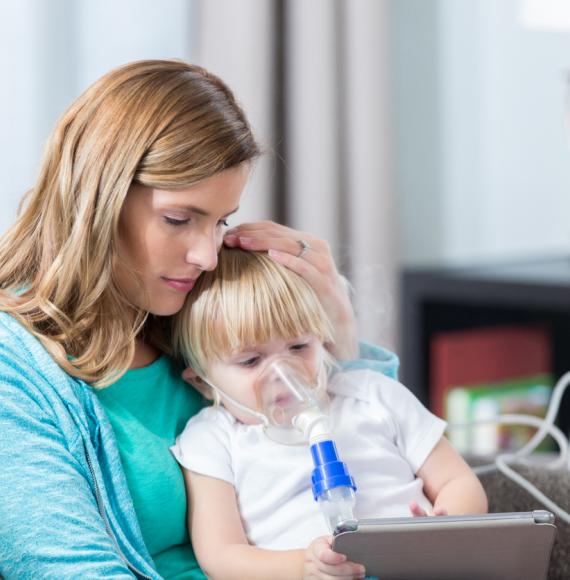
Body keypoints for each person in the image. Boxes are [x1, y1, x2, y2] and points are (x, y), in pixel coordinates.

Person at [0, 60, 385, 579]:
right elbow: (66, 569)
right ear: (97, 201)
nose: (207, 255)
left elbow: (380, 472)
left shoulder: (195, 318)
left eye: (221, 220)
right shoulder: (15, 369)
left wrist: (336, 320)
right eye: (180, 220)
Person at [170, 247, 489, 580]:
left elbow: (459, 481)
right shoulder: (212, 439)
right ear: (203, 382)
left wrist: (445, 527)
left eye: (298, 347)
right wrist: (303, 567)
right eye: (251, 361)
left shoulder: (371, 395)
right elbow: (221, 556)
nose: (283, 373)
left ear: (322, 341)